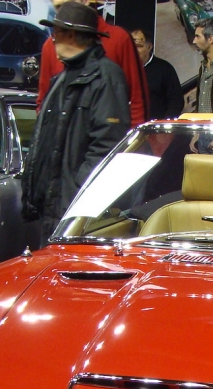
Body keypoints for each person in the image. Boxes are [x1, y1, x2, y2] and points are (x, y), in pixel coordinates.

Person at [23, 2, 130, 242]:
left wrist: (77, 193)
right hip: (56, 204)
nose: (52, 40)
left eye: (56, 34)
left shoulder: (106, 77)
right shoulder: (62, 79)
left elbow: (107, 146)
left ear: (71, 35)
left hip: (75, 208)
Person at [36, 0, 148, 126]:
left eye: (68, 4)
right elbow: (44, 101)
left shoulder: (119, 39)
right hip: (66, 132)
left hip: (110, 132)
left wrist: (133, 137)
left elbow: (137, 100)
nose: (64, 12)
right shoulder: (50, 46)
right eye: (58, 7)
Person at [131, 28, 183, 120]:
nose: (134, 50)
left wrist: (164, 124)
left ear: (149, 47)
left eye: (139, 46)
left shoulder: (165, 69)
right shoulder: (122, 69)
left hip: (156, 127)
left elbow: (176, 102)